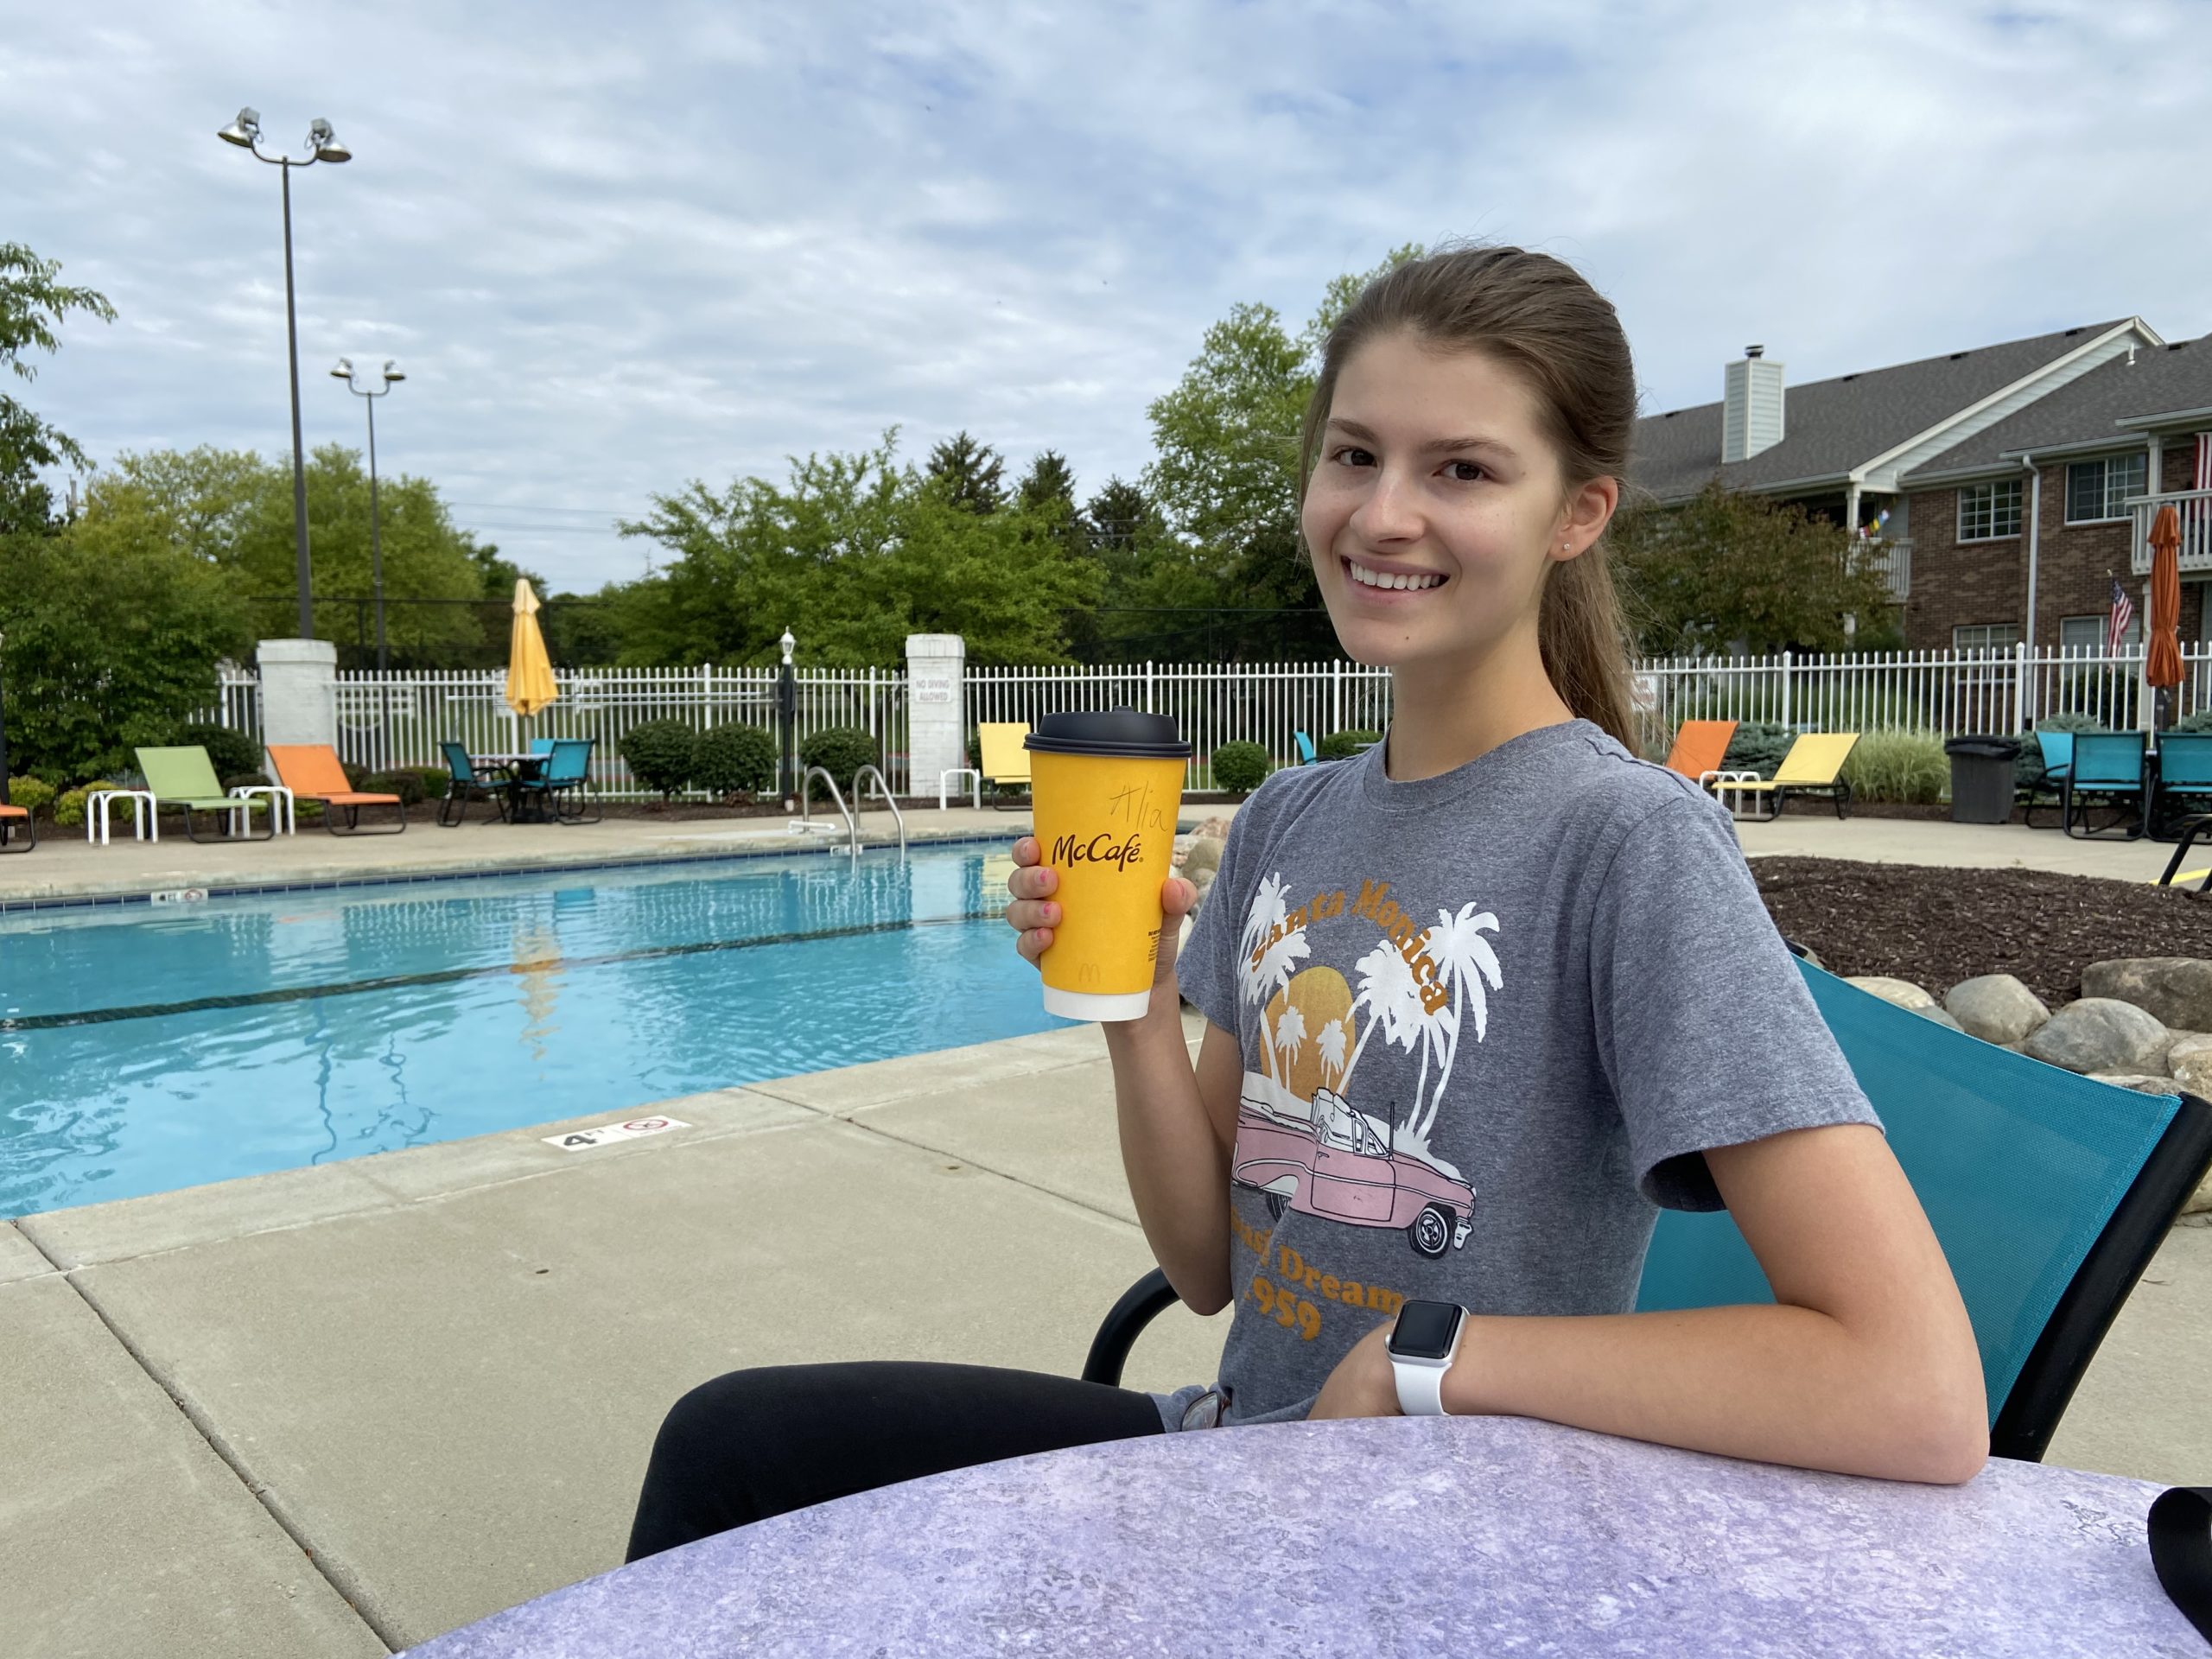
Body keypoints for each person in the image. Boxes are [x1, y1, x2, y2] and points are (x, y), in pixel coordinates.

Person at [623, 245, 1986, 1565]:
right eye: (1354, 454)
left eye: (1461, 469)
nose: (1382, 513)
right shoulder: (1294, 813)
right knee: (733, 1444)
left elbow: (1913, 1389)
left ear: (1577, 515)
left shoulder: (1629, 845)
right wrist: (1138, 1001)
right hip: (1232, 1450)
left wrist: (1424, 1361)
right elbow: (1210, 1262)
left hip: (1421, 1529)